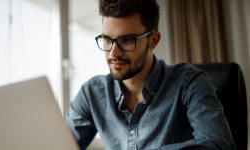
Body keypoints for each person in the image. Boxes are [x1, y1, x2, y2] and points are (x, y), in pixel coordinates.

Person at [66, 0, 235, 149]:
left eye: (126, 40)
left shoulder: (189, 82)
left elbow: (219, 144)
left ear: (153, 40)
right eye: (107, 39)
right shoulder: (92, 93)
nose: (113, 53)